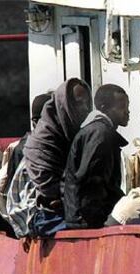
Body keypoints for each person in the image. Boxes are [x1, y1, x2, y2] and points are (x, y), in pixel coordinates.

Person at [23, 78, 92, 237]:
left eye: (87, 103)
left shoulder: (80, 133)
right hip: (50, 218)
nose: (85, 108)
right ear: (64, 104)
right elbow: (50, 189)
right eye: (78, 102)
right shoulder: (42, 141)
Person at [63, 84, 129, 229]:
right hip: (86, 222)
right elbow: (92, 181)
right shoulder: (100, 134)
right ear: (104, 107)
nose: (127, 112)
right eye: (122, 107)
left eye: (127, 106)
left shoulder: (98, 131)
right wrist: (96, 221)